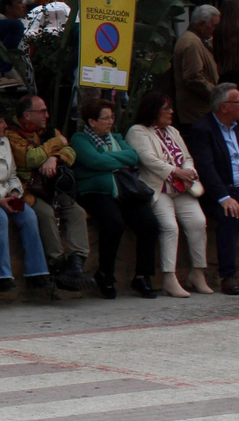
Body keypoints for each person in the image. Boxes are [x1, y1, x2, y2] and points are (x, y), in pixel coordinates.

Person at [71, 96, 161, 300]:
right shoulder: (80, 140)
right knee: (113, 224)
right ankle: (105, 274)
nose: (111, 122)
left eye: (112, 118)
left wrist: (106, 158)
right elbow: (94, 160)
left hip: (125, 190)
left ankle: (142, 276)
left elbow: (133, 157)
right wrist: (116, 162)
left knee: (149, 224)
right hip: (96, 192)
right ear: (92, 121)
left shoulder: (117, 138)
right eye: (106, 118)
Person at [127, 91, 212, 299]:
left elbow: (187, 156)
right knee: (169, 227)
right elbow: (148, 160)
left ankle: (197, 273)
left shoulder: (173, 131)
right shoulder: (138, 131)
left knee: (198, 222)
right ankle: (169, 277)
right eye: (167, 108)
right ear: (154, 110)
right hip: (159, 188)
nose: (171, 112)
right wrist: (176, 171)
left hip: (182, 188)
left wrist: (188, 172)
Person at [7, 94, 88, 290]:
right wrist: (56, 143)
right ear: (27, 115)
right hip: (25, 191)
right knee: (45, 214)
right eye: (41, 111)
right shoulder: (11, 134)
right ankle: (57, 263)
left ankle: (76, 264)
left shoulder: (49, 130)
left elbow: (70, 151)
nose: (46, 115)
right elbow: (31, 158)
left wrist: (55, 159)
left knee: (77, 212)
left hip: (51, 187)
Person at [0, 104, 54, 296]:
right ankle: (2, 277)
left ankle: (37, 273)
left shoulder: (4, 143)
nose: (5, 126)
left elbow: (13, 174)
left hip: (8, 193)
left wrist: (16, 193)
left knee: (29, 216)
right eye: (0, 122)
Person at [183, 82, 239, 296]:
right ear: (224, 106)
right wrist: (223, 196)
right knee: (229, 215)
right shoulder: (202, 129)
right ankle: (228, 276)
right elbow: (205, 168)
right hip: (219, 190)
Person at [174, 5, 221, 126]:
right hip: (197, 112)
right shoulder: (192, 43)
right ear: (201, 24)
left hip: (199, 110)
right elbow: (193, 77)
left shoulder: (195, 40)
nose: (215, 29)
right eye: (213, 25)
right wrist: (217, 94)